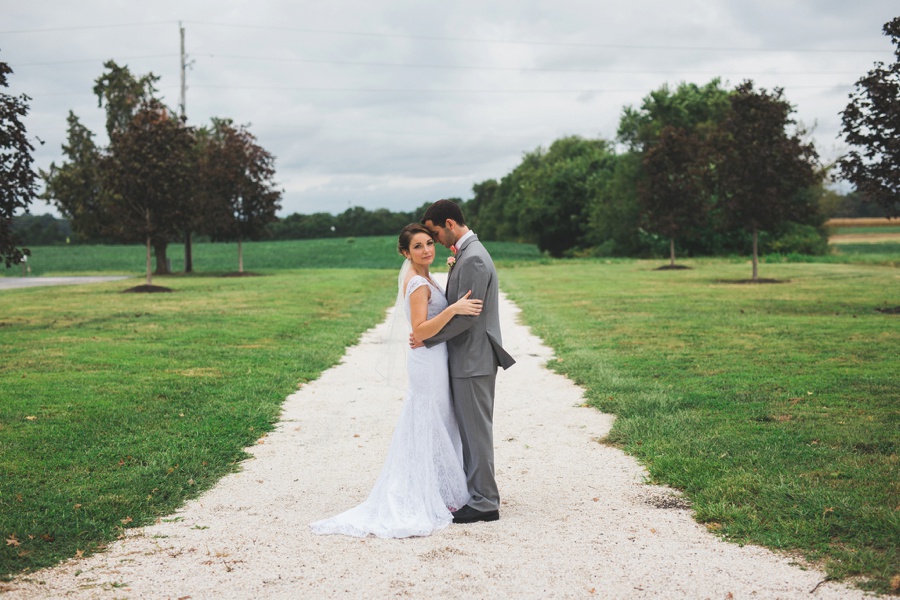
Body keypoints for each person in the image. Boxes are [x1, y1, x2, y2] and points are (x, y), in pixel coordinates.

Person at [310, 223, 482, 538]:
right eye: (417, 246)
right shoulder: (417, 283)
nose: (427, 250)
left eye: (429, 243)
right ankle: (426, 492)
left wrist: (451, 268)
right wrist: (454, 308)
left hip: (434, 358)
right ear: (405, 252)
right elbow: (420, 330)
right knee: (429, 419)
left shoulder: (425, 276)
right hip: (427, 361)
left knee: (439, 420)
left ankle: (440, 489)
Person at [414, 199, 516, 524]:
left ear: (449, 223)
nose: (436, 240)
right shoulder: (467, 254)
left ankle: (485, 502)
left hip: (473, 360)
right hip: (470, 359)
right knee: (472, 432)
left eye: (435, 233)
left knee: (477, 433)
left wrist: (427, 338)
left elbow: (467, 318)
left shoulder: (472, 258)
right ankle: (477, 493)